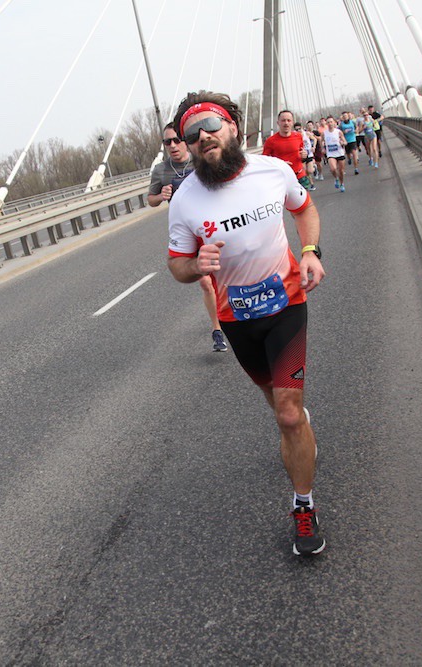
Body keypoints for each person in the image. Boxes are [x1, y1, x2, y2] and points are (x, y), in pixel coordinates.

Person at [167, 91, 327, 556]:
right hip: (237, 320)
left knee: (288, 414)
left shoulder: (272, 171)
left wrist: (310, 251)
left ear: (233, 127)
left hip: (287, 305)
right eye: (192, 134)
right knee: (278, 404)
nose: (203, 137)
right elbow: (177, 265)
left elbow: (304, 208)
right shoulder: (185, 200)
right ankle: (297, 430)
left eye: (211, 126)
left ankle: (304, 506)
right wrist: (195, 266)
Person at [149, 122, 228, 352]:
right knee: (205, 280)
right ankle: (217, 330)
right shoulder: (161, 170)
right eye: (167, 142)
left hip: (212, 224)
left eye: (177, 140)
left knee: (226, 273)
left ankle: (234, 310)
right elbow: (150, 199)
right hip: (186, 231)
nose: (173, 146)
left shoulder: (200, 160)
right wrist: (161, 196)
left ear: (185, 141)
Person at [263, 109, 314, 191]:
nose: (286, 123)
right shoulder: (270, 141)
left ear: (292, 122)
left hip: (300, 176)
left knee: (306, 199)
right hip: (282, 179)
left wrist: (304, 155)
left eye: (288, 120)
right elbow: (264, 161)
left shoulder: (298, 136)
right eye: (283, 120)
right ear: (278, 123)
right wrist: (280, 164)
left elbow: (301, 155)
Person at [322, 117, 347, 192]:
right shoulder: (324, 133)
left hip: (340, 153)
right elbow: (322, 142)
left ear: (334, 123)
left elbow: (345, 142)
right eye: (328, 122)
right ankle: (336, 178)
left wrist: (343, 143)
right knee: (333, 169)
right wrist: (323, 148)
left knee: (341, 171)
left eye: (331, 122)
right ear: (326, 124)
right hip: (331, 154)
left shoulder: (338, 132)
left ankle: (342, 184)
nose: (330, 124)